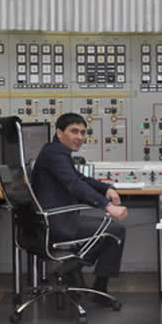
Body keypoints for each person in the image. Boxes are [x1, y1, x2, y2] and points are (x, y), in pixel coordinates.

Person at [30, 112, 128, 296]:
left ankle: (73, 267)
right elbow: (74, 185)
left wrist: (106, 189)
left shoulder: (56, 152)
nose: (80, 137)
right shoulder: (54, 154)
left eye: (83, 132)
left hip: (55, 219)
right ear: (59, 133)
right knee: (115, 231)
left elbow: (79, 178)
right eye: (74, 131)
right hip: (58, 223)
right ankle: (87, 280)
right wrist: (108, 206)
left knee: (109, 231)